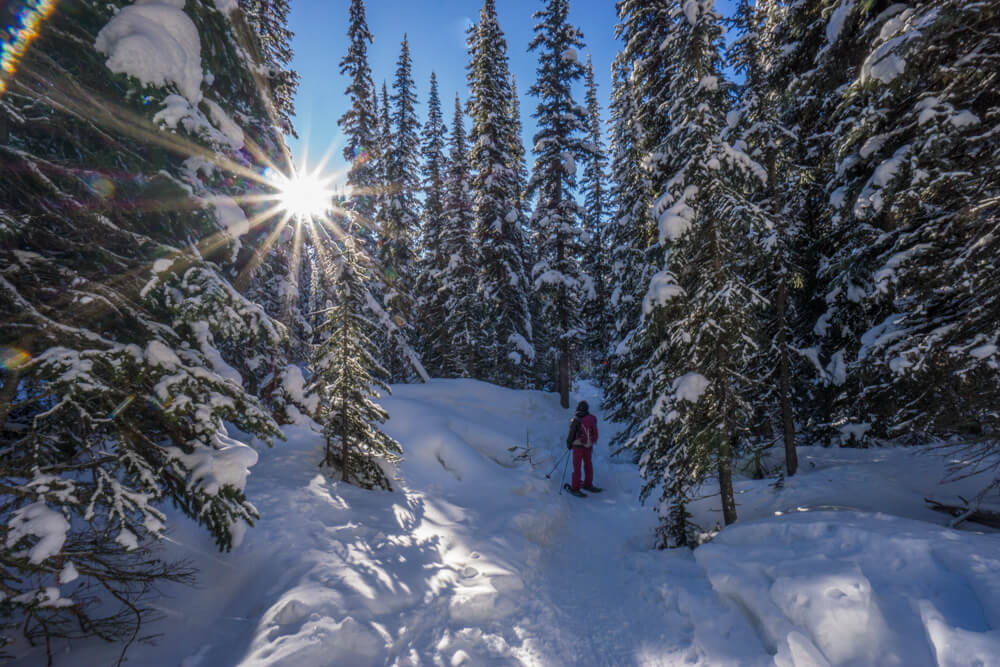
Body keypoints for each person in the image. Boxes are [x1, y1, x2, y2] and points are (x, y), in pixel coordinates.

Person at [565, 400, 601, 496]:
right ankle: (588, 484)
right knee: (588, 464)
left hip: (577, 446)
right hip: (588, 446)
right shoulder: (591, 419)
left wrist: (569, 444)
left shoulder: (576, 419)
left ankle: (575, 487)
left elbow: (571, 434)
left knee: (577, 467)